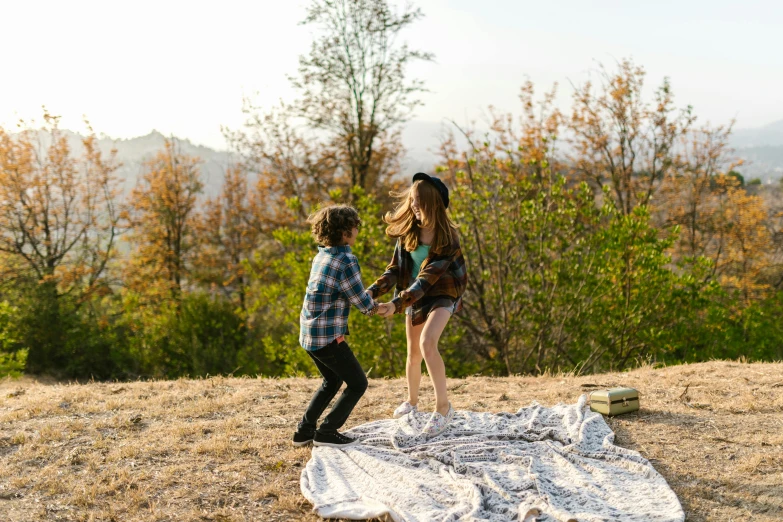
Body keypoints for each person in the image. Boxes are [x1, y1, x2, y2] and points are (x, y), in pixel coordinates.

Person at [369, 173, 467, 437]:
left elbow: (427, 278)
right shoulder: (409, 233)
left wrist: (396, 303)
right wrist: (373, 291)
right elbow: (394, 270)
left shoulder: (448, 239)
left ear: (433, 203)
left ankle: (443, 408)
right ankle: (412, 402)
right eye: (412, 200)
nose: (413, 205)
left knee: (427, 343)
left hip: (442, 293)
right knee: (413, 354)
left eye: (419, 201)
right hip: (414, 295)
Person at [293, 204, 394, 448]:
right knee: (358, 383)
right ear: (345, 232)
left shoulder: (322, 255)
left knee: (332, 381)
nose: (357, 231)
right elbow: (360, 301)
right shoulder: (346, 259)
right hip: (328, 337)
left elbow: (346, 292)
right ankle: (327, 431)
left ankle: (304, 431)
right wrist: (379, 308)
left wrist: (367, 299)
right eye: (355, 227)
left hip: (309, 334)